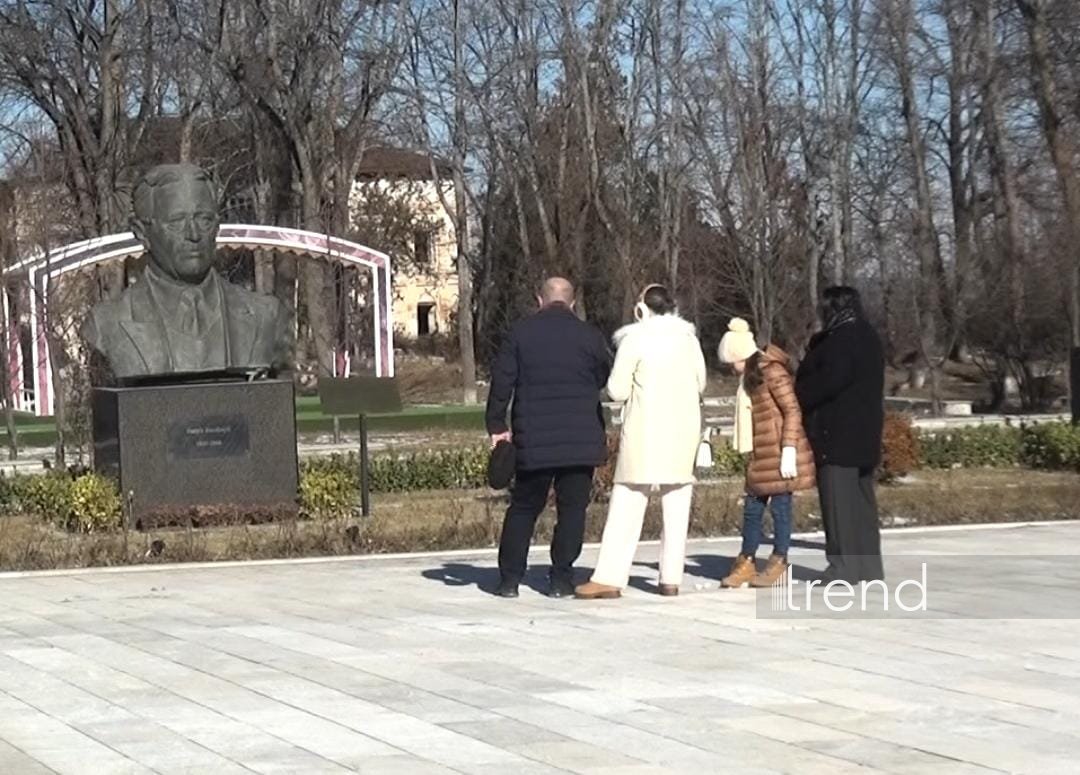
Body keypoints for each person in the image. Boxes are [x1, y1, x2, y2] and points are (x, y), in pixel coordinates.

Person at [83, 164, 291, 380]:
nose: (193, 234)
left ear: (217, 226)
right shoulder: (106, 324)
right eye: (176, 222)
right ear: (142, 233)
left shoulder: (266, 316)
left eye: (204, 220)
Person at [574, 285, 707, 599]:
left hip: (646, 430)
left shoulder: (635, 339)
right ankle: (670, 578)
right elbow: (700, 382)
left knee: (627, 504)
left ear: (641, 309)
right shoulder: (688, 339)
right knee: (677, 506)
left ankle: (610, 576)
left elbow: (617, 390)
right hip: (683, 431)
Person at [486, 278, 612, 599]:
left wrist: (497, 426)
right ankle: (561, 579)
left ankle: (510, 580)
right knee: (572, 510)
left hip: (534, 438)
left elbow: (502, 382)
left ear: (538, 299)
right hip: (580, 440)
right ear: (572, 303)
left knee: (525, 507)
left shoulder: (520, 333)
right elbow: (603, 378)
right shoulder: (590, 336)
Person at [795, 286, 886, 583]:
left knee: (837, 505)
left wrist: (800, 394)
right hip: (865, 432)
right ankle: (869, 566)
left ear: (832, 309)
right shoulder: (868, 336)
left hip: (837, 434)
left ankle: (843, 566)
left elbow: (826, 383)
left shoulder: (840, 341)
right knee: (862, 503)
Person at [716, 318, 815, 588]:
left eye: (731, 362)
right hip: (761, 452)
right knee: (752, 508)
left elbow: (792, 409)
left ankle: (779, 560)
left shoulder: (771, 371)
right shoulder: (750, 376)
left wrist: (789, 449)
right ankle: (746, 560)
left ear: (740, 355)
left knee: (780, 507)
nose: (731, 369)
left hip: (780, 451)